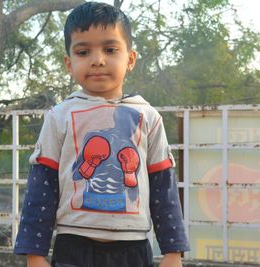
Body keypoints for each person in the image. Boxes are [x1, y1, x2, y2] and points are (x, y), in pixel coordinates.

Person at [14, 2, 189, 267]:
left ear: (130, 59)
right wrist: (35, 256)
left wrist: (173, 252)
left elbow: (163, 188)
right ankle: (91, 165)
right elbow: (42, 188)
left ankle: (122, 170)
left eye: (110, 49)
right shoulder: (59, 116)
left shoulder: (148, 117)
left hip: (134, 247)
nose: (97, 60)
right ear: (69, 63)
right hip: (74, 243)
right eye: (83, 51)